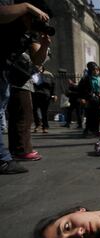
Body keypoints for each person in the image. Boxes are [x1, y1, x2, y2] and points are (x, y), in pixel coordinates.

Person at [1, 0, 52, 165]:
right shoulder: (12, 14)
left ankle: (7, 155)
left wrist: (44, 46)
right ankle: (10, 155)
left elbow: (37, 60)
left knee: (23, 113)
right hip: (11, 74)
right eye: (38, 18)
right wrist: (27, 7)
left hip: (6, 71)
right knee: (20, 113)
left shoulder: (31, 32)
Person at [78, 62, 100, 137]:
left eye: (97, 70)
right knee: (89, 115)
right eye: (94, 70)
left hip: (98, 99)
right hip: (89, 99)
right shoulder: (85, 79)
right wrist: (82, 98)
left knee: (97, 116)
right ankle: (87, 131)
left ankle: (96, 130)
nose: (96, 71)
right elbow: (80, 89)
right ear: (90, 71)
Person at [32, 65, 56, 133]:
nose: (38, 68)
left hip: (45, 95)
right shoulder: (32, 75)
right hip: (34, 95)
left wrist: (53, 94)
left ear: (42, 67)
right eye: (36, 67)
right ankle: (37, 125)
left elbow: (53, 85)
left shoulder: (48, 74)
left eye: (39, 66)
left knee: (44, 112)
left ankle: (45, 127)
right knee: (34, 111)